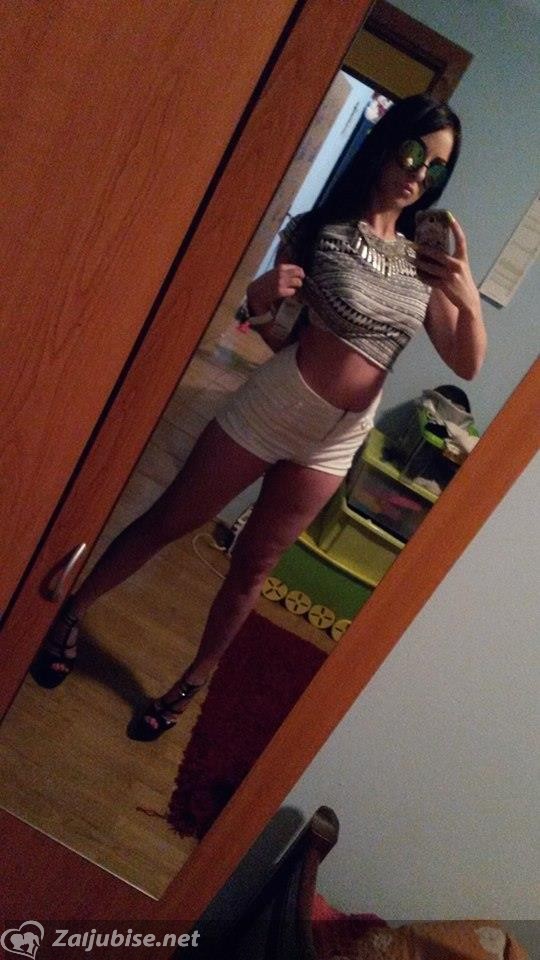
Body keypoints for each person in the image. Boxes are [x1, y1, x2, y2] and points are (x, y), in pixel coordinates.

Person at [31, 94, 486, 739]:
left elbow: (467, 363)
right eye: (415, 153)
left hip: (338, 441)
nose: (419, 174)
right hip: (276, 406)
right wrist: (258, 300)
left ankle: (191, 682)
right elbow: (277, 331)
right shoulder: (319, 231)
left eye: (436, 168)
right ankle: (70, 611)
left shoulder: (424, 267)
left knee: (254, 565)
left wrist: (467, 295)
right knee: (172, 519)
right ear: (390, 143)